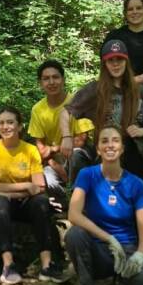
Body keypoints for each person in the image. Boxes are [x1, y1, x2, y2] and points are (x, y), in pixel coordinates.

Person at [65, 125, 143, 285]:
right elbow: (74, 214)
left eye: (115, 140)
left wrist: (139, 256)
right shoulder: (87, 175)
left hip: (126, 249)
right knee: (74, 234)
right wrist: (109, 238)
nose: (110, 145)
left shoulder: (136, 184)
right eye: (104, 141)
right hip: (97, 249)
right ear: (97, 148)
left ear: (122, 148)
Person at [60, 40, 143, 184]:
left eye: (119, 59)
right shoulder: (95, 90)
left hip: (136, 156)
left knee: (135, 199)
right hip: (107, 155)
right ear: (105, 64)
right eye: (111, 60)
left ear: (126, 62)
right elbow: (65, 112)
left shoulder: (140, 90)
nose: (116, 64)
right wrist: (66, 137)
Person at [0, 107, 65, 285]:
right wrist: (26, 185)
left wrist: (7, 192)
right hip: (0, 207)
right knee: (0, 202)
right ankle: (8, 265)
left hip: (25, 204)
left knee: (41, 202)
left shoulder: (30, 150)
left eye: (10, 122)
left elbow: (39, 186)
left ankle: (47, 265)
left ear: (19, 127)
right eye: (1, 123)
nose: (5, 126)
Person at [27, 60, 94, 204]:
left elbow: (81, 140)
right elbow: (41, 151)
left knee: (76, 156)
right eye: (46, 78)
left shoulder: (77, 102)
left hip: (80, 156)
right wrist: (56, 165)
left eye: (55, 77)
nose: (51, 82)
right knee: (45, 176)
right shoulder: (37, 110)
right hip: (55, 162)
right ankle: (68, 201)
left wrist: (53, 148)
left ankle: (82, 200)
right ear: (40, 83)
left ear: (63, 80)